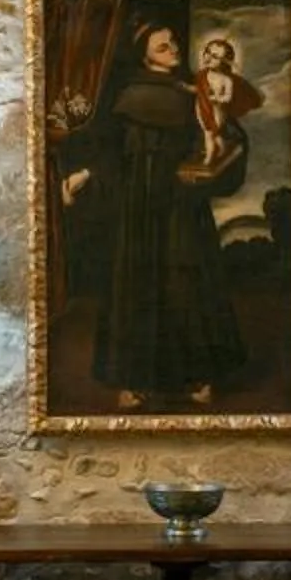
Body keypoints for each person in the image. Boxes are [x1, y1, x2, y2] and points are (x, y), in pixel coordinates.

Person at [56, 22, 247, 409]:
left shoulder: (191, 91)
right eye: (162, 46)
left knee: (187, 285)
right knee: (137, 290)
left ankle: (198, 376)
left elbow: (225, 133)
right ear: (143, 54)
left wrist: (226, 142)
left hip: (182, 206)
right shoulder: (130, 96)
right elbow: (111, 151)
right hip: (139, 208)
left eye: (173, 42)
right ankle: (134, 380)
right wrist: (84, 174)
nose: (173, 48)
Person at [183, 33, 262, 182]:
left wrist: (217, 99)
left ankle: (208, 159)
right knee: (212, 133)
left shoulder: (226, 80)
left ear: (224, 62)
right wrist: (188, 88)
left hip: (216, 111)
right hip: (201, 107)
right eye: (207, 52)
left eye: (215, 56)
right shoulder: (202, 75)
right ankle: (221, 147)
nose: (208, 57)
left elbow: (227, 98)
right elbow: (199, 90)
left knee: (209, 133)